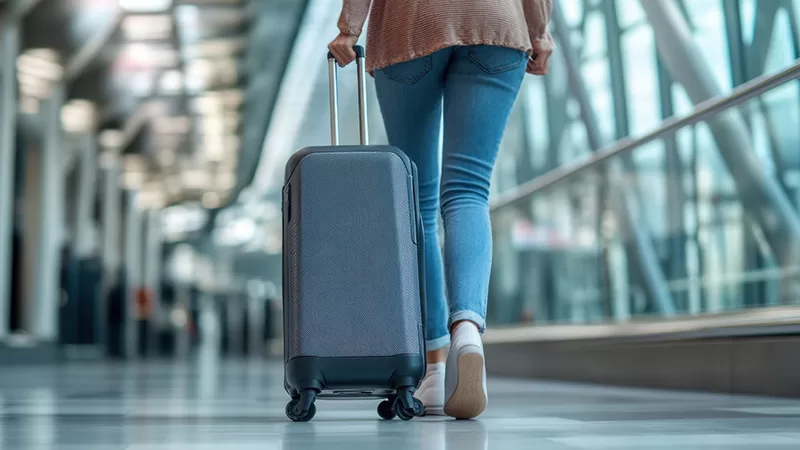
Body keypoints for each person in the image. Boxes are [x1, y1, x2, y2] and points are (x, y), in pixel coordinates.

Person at [329, 0, 555, 419]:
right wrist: (539, 31)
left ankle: (435, 363)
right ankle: (467, 329)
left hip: (410, 23)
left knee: (418, 201)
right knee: (469, 189)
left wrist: (349, 27)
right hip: (496, 23)